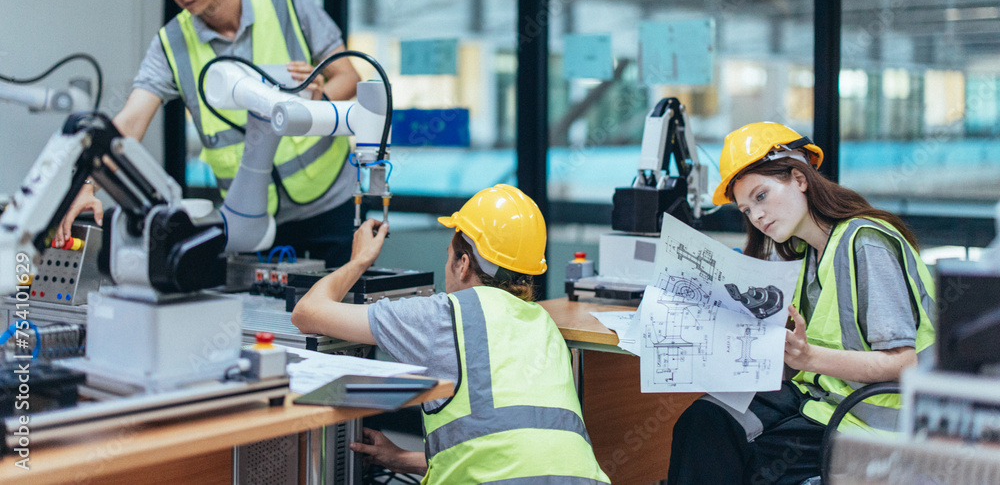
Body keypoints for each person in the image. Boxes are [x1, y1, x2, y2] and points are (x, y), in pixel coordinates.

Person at [54, 0, 361, 265]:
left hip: (329, 207)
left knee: (332, 314)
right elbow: (129, 124)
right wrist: (82, 186)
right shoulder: (171, 44)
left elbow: (350, 76)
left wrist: (316, 98)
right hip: (249, 218)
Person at [668, 122, 936, 485]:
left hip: (874, 426)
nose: (756, 217)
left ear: (799, 178)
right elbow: (804, 362)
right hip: (821, 401)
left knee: (746, 462)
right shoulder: (801, 253)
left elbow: (905, 362)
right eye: (746, 210)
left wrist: (807, 358)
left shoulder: (866, 243)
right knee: (703, 423)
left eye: (761, 197)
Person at [290, 184, 611, 484]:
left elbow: (307, 313)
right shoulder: (546, 326)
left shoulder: (444, 315)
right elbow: (512, 450)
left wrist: (359, 259)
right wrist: (401, 458)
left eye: (448, 255)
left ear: (463, 263)